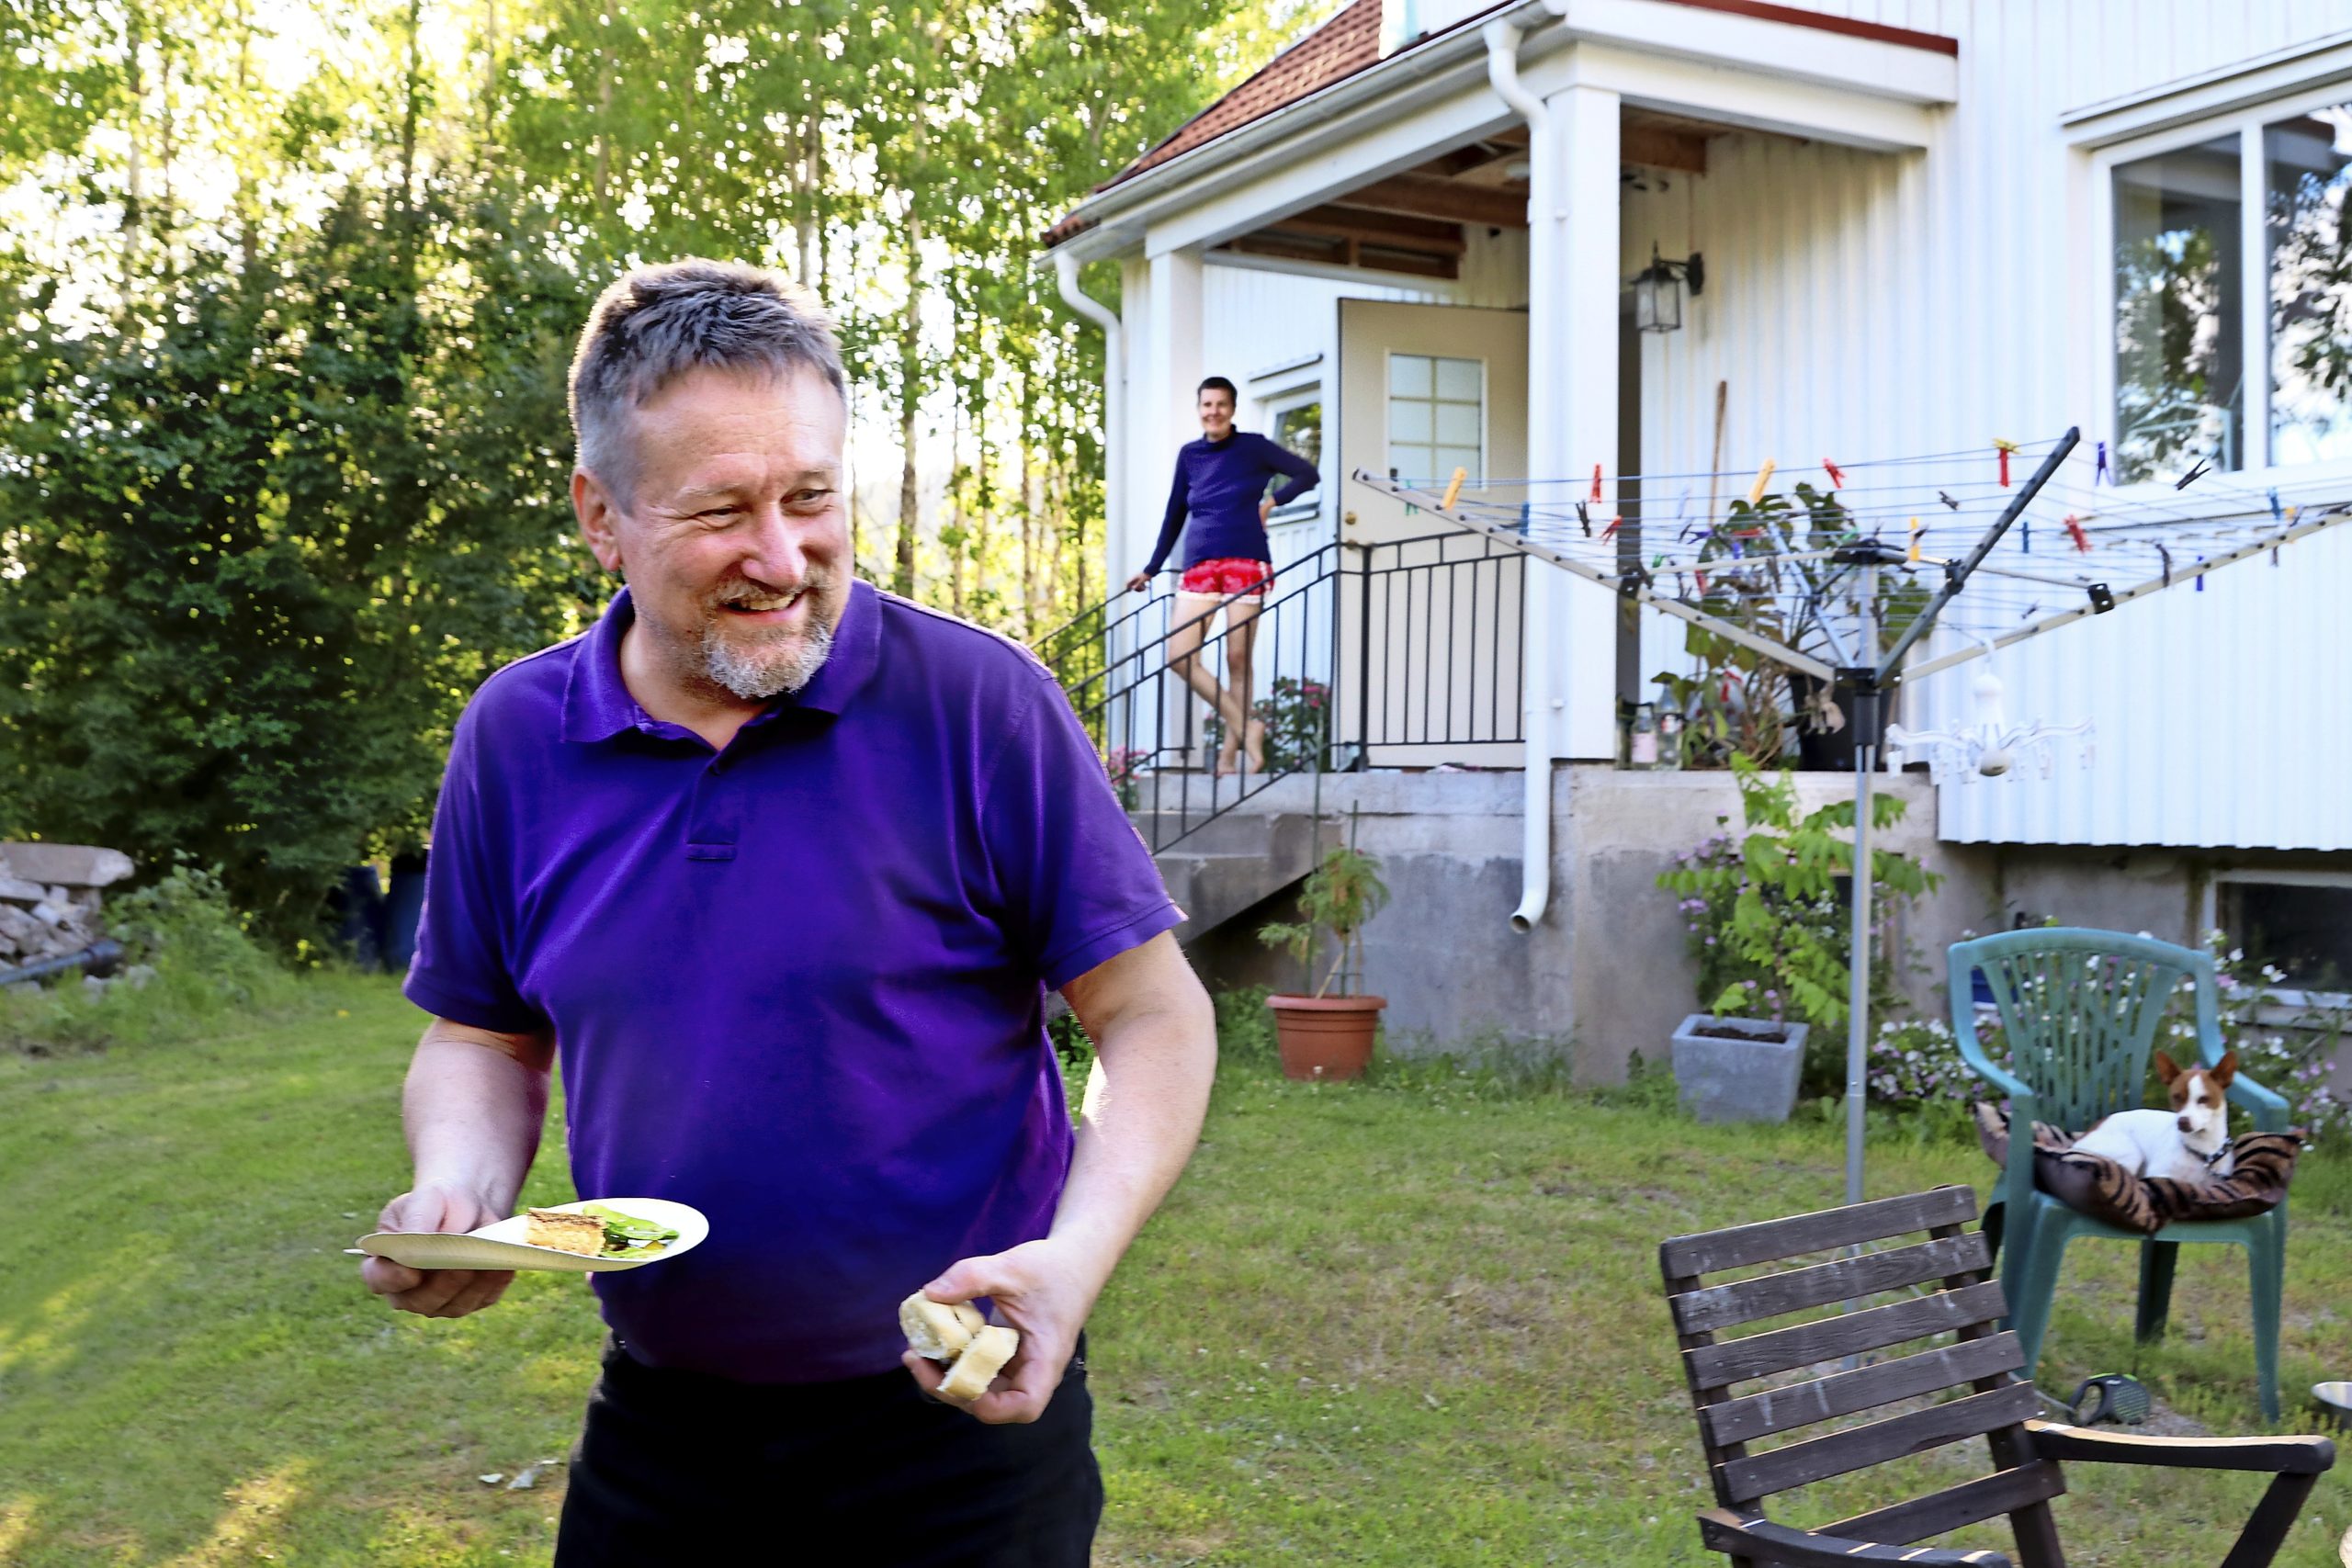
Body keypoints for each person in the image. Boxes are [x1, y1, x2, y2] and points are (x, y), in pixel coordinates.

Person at [361, 258, 1217, 1567]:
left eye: (812, 497)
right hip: (664, 1433)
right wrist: (463, 1187)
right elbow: (483, 1033)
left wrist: (1073, 1254)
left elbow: (1151, 1011)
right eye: (721, 510)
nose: (783, 554)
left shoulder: (978, 704)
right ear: (603, 515)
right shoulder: (517, 734)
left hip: (956, 1427)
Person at [1123, 377, 1319, 776]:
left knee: (1237, 659)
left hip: (1245, 562)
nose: (1213, 411)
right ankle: (1248, 726)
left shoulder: (1254, 447)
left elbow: (1307, 473)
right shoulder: (1190, 455)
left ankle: (1231, 757)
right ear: (1199, 409)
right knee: (1179, 657)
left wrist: (1271, 504)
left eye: (1221, 405)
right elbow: (1174, 514)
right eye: (1207, 404)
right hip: (1200, 564)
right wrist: (1152, 567)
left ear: (1232, 409)